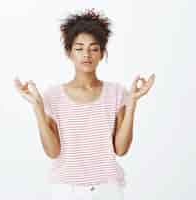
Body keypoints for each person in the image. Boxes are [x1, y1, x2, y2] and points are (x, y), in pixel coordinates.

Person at [14, 8, 155, 200]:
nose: (86, 54)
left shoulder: (116, 93)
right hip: (66, 190)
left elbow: (121, 150)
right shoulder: (53, 96)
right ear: (69, 53)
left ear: (102, 52)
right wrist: (37, 108)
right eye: (79, 48)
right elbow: (53, 152)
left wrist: (132, 103)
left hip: (108, 190)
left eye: (94, 48)